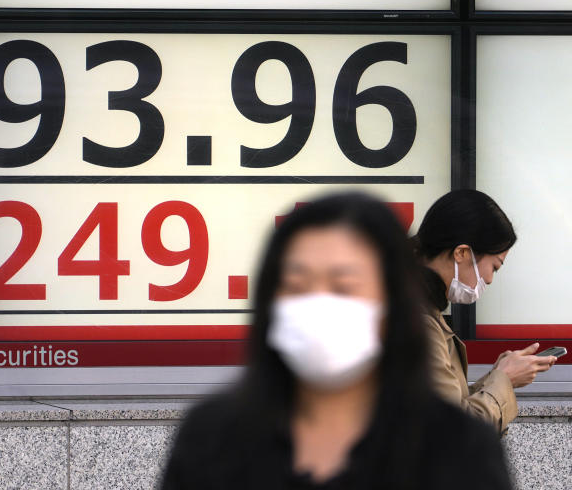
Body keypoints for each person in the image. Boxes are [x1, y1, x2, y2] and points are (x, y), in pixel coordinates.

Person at [161, 193, 511, 490]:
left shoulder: (464, 448)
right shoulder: (212, 439)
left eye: (344, 286)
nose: (319, 305)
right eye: (296, 285)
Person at [414, 189, 556, 435]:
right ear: (461, 253)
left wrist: (497, 377)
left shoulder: (415, 306)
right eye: (495, 266)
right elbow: (450, 432)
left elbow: (447, 407)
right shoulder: (417, 323)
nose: (489, 280)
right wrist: (504, 380)